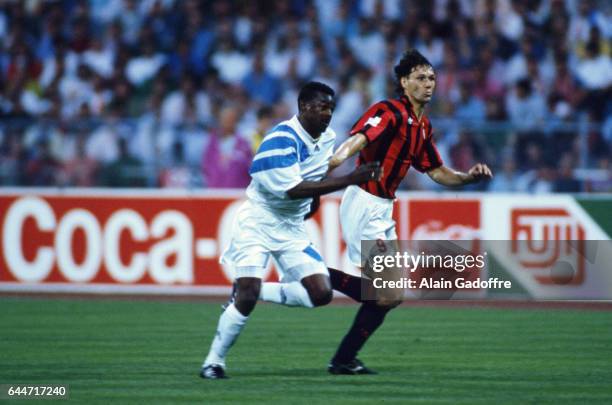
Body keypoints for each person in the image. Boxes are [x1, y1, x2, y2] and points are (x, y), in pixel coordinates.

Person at [324, 49, 493, 374]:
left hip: (383, 208)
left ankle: (343, 358)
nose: (428, 84)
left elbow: (437, 171)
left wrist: (468, 178)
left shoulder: (422, 126)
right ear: (403, 82)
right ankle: (319, 275)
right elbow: (359, 140)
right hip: (364, 200)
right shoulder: (388, 111)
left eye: (431, 78)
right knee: (382, 292)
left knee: (392, 295)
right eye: (420, 77)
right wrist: (333, 161)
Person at [200, 81, 382, 379]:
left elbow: (313, 177)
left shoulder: (327, 139)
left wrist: (314, 201)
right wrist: (350, 179)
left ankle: (254, 291)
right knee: (246, 297)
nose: (328, 114)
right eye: (322, 108)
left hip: (290, 227)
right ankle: (213, 362)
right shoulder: (279, 140)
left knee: (321, 294)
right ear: (304, 108)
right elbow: (293, 189)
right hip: (258, 221)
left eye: (331, 109)